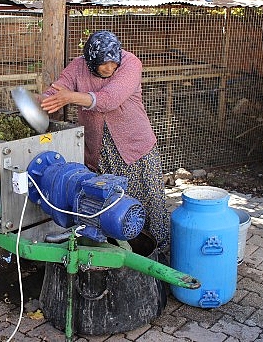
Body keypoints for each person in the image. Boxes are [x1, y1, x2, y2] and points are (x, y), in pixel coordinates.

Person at [39, 30, 170, 249]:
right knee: (108, 206)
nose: (109, 68)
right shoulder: (79, 66)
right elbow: (61, 87)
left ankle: (159, 253)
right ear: (90, 60)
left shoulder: (130, 64)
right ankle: (116, 255)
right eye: (103, 64)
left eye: (113, 63)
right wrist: (42, 101)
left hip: (135, 149)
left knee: (148, 204)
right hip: (100, 152)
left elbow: (109, 99)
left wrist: (71, 97)